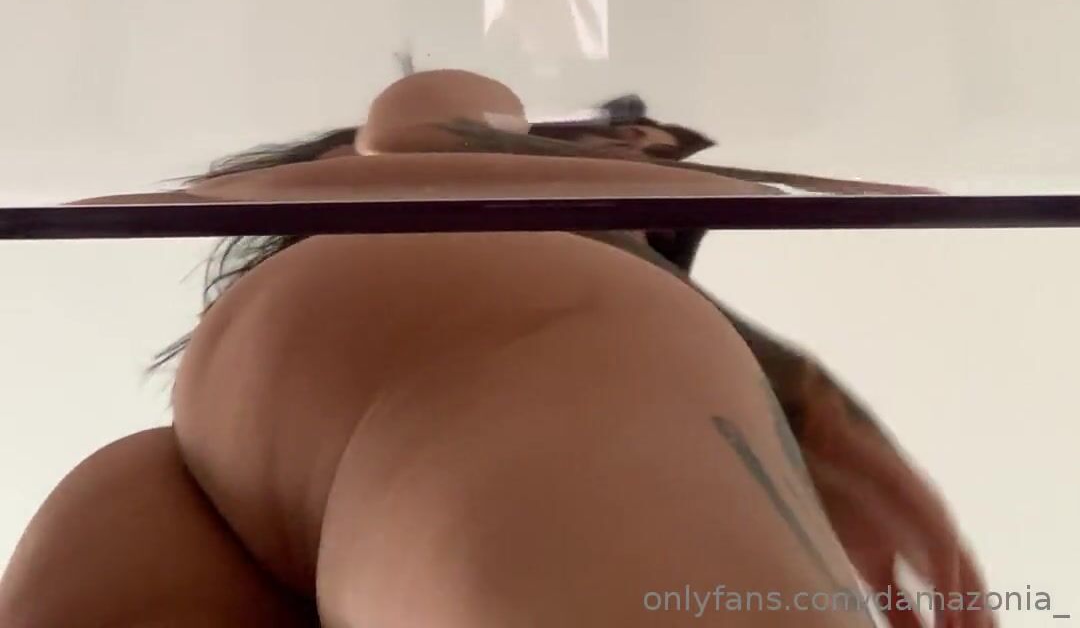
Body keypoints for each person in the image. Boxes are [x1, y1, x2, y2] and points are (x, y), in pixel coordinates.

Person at [0, 70, 990, 628]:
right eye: (642, 135)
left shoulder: (564, 290)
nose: (650, 145)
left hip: (217, 460)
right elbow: (420, 120)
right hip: (425, 358)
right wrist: (821, 414)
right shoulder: (547, 252)